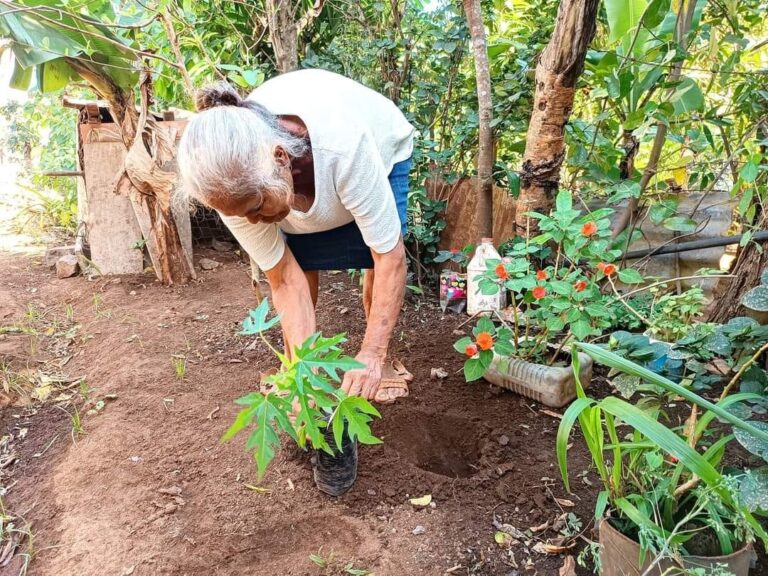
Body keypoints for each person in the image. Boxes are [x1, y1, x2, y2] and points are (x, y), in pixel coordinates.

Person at [177, 69, 415, 403]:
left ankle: (380, 359)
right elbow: (285, 279)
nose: (253, 221)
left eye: (256, 206)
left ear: (281, 159)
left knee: (375, 260)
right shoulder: (227, 186)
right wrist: (304, 378)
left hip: (381, 147)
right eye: (240, 214)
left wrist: (371, 354)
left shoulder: (344, 147)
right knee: (300, 263)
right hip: (302, 173)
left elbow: (389, 257)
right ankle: (299, 369)